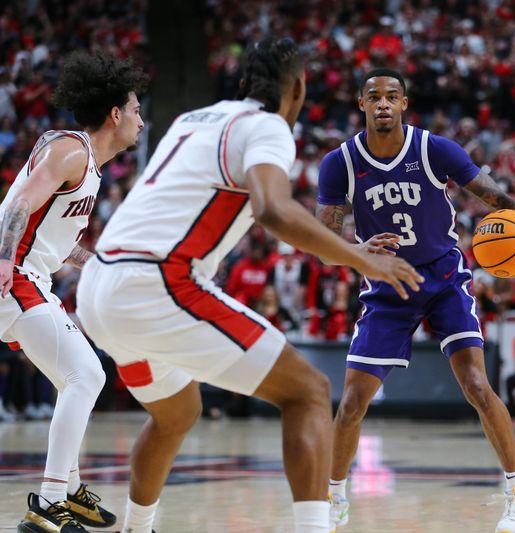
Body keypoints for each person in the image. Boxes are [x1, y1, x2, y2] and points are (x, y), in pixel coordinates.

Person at [74, 39, 423, 533]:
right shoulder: (269, 128)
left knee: (177, 413)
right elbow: (273, 210)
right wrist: (360, 257)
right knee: (309, 392)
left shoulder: (194, 119)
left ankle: (138, 527)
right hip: (155, 284)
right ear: (298, 87)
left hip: (98, 287)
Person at [316, 69, 515, 533]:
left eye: (391, 97)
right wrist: (357, 252)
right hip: (387, 285)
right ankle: (334, 497)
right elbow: (325, 239)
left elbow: (494, 196)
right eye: (373, 97)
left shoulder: (435, 149)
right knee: (350, 404)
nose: (382, 104)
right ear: (360, 104)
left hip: (444, 278)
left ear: (404, 103)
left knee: (477, 387)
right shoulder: (339, 163)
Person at [0, 51, 147, 533]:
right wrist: (3, 260)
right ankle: (48, 502)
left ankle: (66, 490)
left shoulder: (89, 168)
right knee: (86, 374)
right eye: (137, 109)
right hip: (12, 275)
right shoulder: (72, 151)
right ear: (115, 114)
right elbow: (18, 205)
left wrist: (98, 264)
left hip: (29, 276)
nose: (141, 120)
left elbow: (56, 244)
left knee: (76, 379)